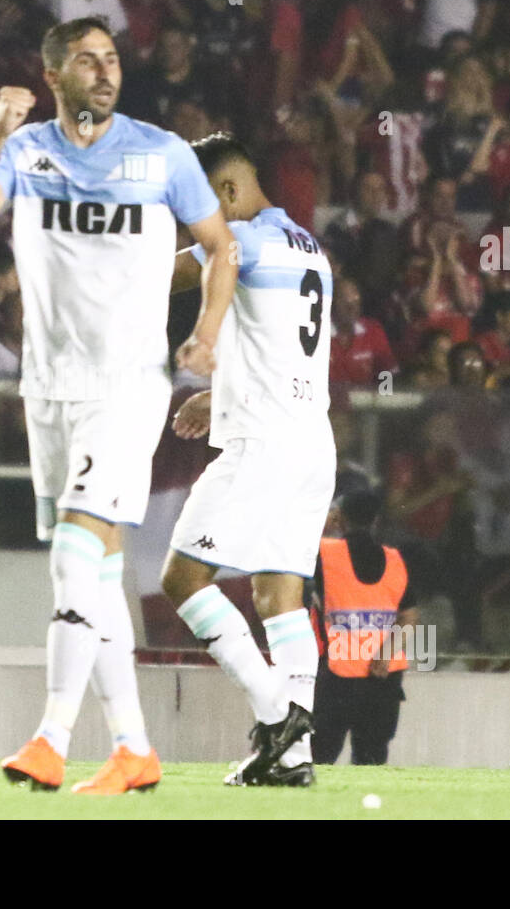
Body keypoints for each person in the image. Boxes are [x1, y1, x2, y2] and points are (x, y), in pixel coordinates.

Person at [0, 17, 237, 794]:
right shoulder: (29, 150)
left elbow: (221, 244)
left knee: (75, 548)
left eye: (111, 59)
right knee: (94, 573)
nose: (104, 72)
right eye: (86, 60)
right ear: (54, 75)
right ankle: (134, 748)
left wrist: (205, 336)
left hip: (128, 384)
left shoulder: (163, 153)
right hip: (48, 387)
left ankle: (50, 737)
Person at [160, 132, 335, 788]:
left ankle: (276, 713)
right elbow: (283, 344)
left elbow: (216, 255)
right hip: (311, 441)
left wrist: (203, 338)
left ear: (227, 192)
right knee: (279, 596)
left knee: (182, 577)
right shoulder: (311, 250)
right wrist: (222, 389)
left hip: (263, 443)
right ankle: (293, 763)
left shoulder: (245, 237)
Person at [311, 490, 420, 766]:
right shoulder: (396, 560)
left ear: (341, 519)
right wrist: (384, 655)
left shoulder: (324, 553)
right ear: (376, 520)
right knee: (371, 761)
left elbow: (291, 539)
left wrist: (326, 523)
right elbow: (409, 617)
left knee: (318, 759)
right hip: (383, 679)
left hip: (336, 676)